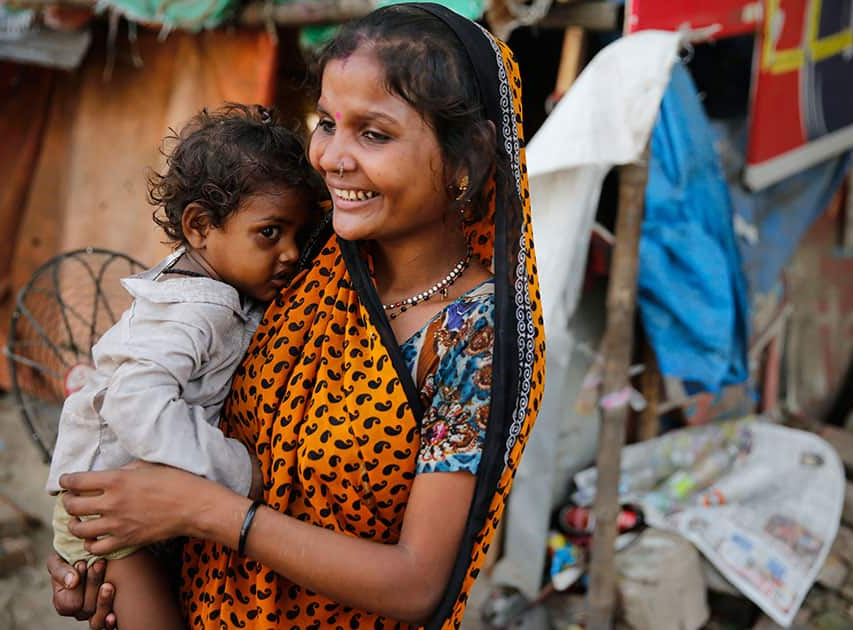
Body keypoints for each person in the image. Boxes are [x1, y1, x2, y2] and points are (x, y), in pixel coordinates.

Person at [47, 4, 545, 628]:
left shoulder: (478, 340)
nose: (333, 157)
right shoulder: (300, 253)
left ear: (465, 160)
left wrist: (201, 510)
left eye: (374, 133)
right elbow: (168, 386)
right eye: (327, 123)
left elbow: (419, 583)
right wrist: (114, 556)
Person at [44, 103, 323, 629]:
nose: (290, 254)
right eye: (270, 233)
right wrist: (236, 470)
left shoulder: (215, 288)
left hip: (133, 501)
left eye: (297, 237)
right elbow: (135, 402)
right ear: (199, 225)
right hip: (106, 511)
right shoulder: (194, 310)